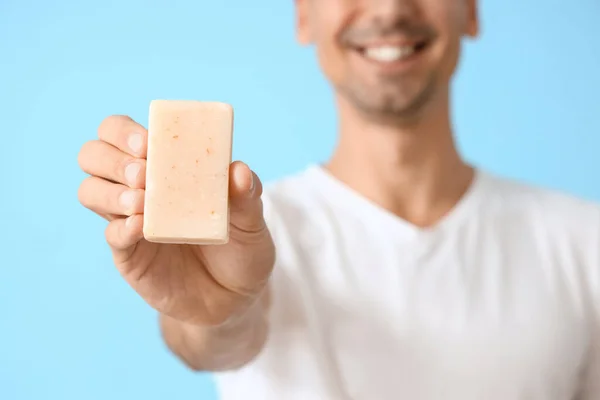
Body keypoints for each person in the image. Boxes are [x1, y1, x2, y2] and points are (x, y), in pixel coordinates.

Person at [76, 0, 600, 399]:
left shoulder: (584, 243)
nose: (391, 9)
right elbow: (225, 335)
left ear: (471, 9)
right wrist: (217, 312)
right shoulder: (250, 233)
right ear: (304, 16)